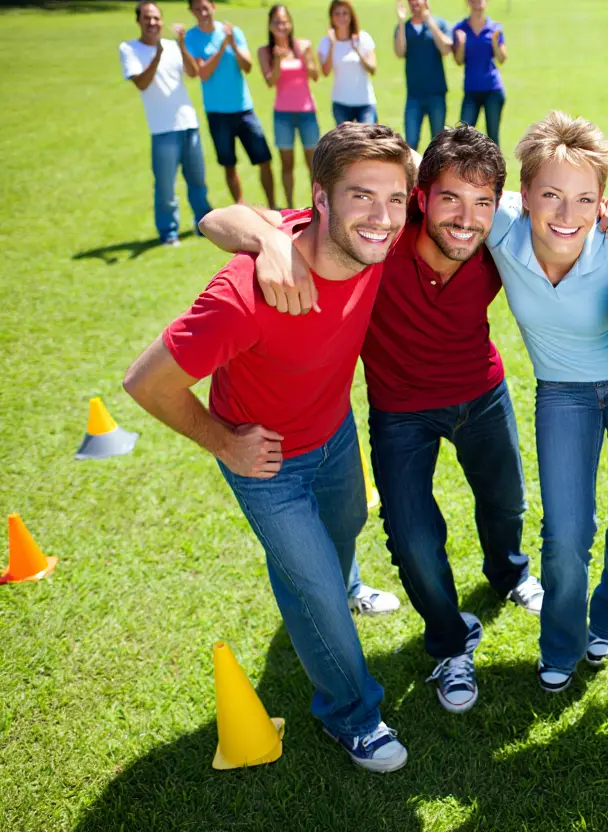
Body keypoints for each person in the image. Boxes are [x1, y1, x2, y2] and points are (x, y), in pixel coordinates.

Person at [198, 125, 544, 716]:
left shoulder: (497, 229)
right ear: (421, 197)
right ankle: (449, 644)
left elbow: (567, 210)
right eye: (449, 200)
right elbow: (215, 220)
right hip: (400, 409)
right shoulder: (377, 233)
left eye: (481, 203)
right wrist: (270, 240)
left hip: (483, 394)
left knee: (506, 504)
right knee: (411, 538)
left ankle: (509, 572)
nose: (465, 218)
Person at [123, 123, 417, 773]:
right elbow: (145, 382)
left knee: (346, 531)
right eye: (362, 197)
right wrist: (224, 443)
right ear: (321, 198)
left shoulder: (373, 238)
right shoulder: (245, 294)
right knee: (312, 590)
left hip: (334, 433)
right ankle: (352, 714)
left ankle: (342, 584)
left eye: (395, 199)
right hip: (267, 463)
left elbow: (221, 216)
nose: (383, 217)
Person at [482, 112, 608, 693]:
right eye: (552, 196)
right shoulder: (499, 226)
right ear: (523, 193)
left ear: (603, 199)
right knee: (565, 532)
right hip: (562, 393)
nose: (568, 216)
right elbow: (414, 166)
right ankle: (560, 642)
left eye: (585, 199)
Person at [120, 2, 211, 246]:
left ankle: (204, 225)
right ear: (138, 20)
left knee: (198, 182)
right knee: (165, 187)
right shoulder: (129, 49)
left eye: (156, 18)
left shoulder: (172, 46)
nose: (152, 23)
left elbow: (193, 73)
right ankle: (169, 232)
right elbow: (141, 83)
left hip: (188, 123)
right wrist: (158, 54)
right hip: (162, 129)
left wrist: (181, 45)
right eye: (147, 18)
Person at [184, 0, 277, 208]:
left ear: (213, 7)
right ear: (191, 11)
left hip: (244, 109)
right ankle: (241, 207)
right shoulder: (191, 38)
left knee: (264, 159)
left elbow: (248, 66)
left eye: (205, 7)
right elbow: (203, 73)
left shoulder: (232, 32)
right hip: (217, 113)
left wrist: (232, 43)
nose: (202, 13)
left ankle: (273, 206)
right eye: (197, 9)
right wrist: (222, 48)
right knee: (229, 164)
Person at [259, 4, 321, 209]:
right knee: (287, 165)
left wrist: (307, 54)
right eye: (276, 21)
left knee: (313, 165)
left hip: (307, 112)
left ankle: (317, 206)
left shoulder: (302, 45)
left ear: (290, 23)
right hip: (282, 115)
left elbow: (315, 75)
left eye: (284, 21)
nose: (281, 25)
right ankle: (290, 207)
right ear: (269, 25)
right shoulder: (265, 52)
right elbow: (270, 82)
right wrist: (277, 60)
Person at [395, 0, 453, 150]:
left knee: (439, 144)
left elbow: (446, 48)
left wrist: (429, 20)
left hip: (436, 93)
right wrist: (401, 21)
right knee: (411, 142)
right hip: (414, 95)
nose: (415, 3)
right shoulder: (404, 27)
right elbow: (400, 52)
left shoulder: (439, 23)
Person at [452, 0, 506, 146]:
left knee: (493, 137)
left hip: (492, 89)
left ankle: (497, 169)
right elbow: (458, 60)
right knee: (463, 136)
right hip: (471, 90)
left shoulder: (495, 28)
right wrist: (461, 44)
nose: (477, 2)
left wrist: (495, 42)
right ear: (467, 3)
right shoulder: (460, 29)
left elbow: (501, 58)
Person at [320, 0, 378, 125]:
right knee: (346, 144)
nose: (341, 17)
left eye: (345, 13)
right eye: (337, 14)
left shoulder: (363, 38)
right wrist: (332, 45)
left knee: (367, 142)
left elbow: (373, 69)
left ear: (351, 16)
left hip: (365, 102)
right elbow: (325, 71)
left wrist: (357, 49)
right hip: (341, 103)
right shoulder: (325, 42)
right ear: (331, 17)